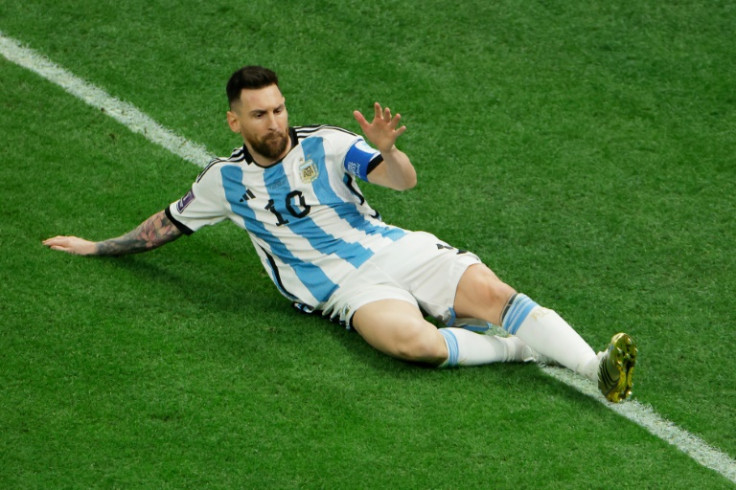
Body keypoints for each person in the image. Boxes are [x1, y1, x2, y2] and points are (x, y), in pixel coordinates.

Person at [43, 65, 637, 402]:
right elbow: (166, 226)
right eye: (259, 114)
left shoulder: (327, 144)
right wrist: (97, 247)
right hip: (346, 292)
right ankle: (522, 348)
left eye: (277, 109)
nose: (273, 122)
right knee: (417, 347)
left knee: (498, 298)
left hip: (398, 249)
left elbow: (402, 183)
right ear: (235, 120)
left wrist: (389, 152)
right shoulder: (224, 182)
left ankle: (594, 367)